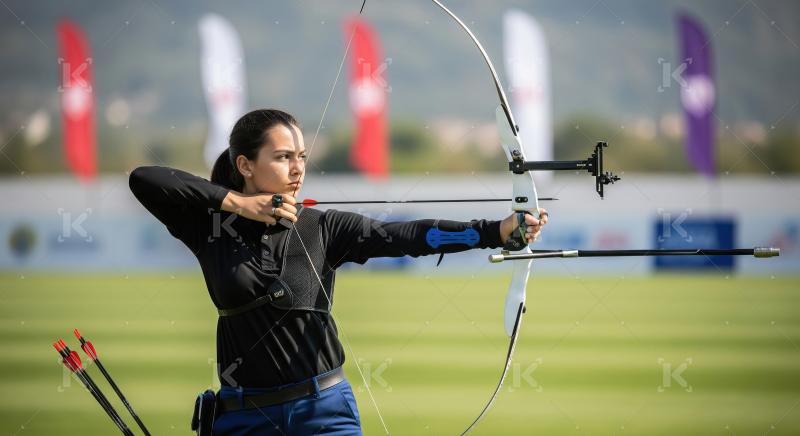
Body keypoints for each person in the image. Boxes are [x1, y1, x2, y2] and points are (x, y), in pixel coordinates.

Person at [128, 108, 547, 435]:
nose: (297, 169)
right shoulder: (209, 229)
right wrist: (239, 205)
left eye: (302, 157)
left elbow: (404, 236)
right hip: (245, 418)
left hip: (323, 413)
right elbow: (144, 178)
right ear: (245, 165)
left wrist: (496, 231)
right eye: (282, 157)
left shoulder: (324, 228)